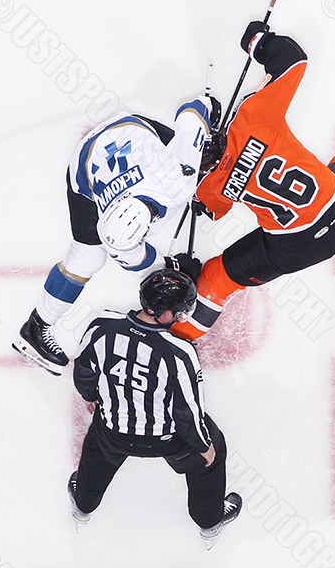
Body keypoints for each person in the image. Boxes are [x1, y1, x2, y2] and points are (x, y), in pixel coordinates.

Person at [170, 22, 335, 341]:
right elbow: (293, 58)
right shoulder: (251, 117)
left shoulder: (206, 186)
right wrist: (258, 42)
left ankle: (176, 339)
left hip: (294, 249)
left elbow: (211, 210)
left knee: (216, 277)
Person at [13, 97, 217, 374]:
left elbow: (193, 112)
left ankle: (39, 322)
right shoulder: (116, 235)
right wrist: (169, 268)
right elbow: (141, 262)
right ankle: (37, 327)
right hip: (88, 164)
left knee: (205, 176)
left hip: (136, 134)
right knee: (89, 256)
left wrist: (208, 117)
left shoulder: (176, 181)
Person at [67, 269, 243, 548]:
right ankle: (209, 522)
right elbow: (188, 412)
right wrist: (204, 446)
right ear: (164, 314)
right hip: (169, 441)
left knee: (96, 447)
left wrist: (91, 395)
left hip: (113, 433)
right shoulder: (179, 351)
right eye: (179, 310)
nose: (182, 315)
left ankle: (83, 505)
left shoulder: (101, 326)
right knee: (213, 451)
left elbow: (84, 369)